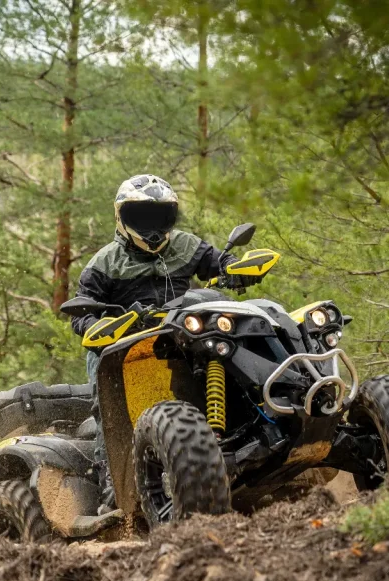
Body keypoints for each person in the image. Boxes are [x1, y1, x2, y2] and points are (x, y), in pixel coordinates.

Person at [69, 174, 259, 512]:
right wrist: (103, 326)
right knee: (108, 403)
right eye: (141, 217)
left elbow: (218, 262)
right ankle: (115, 485)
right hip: (124, 344)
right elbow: (80, 313)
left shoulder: (185, 244)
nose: (151, 226)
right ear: (121, 217)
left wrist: (235, 268)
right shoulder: (103, 263)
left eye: (159, 217)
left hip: (183, 334)